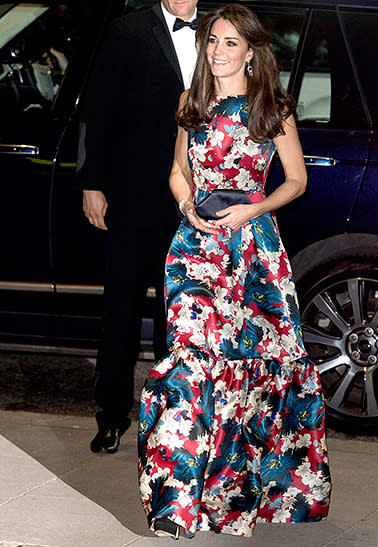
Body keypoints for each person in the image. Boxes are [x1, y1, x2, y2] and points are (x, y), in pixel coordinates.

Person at [138, 3, 331, 540]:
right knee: (188, 366)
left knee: (247, 370)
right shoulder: (190, 102)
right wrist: (187, 206)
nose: (217, 51)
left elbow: (296, 182)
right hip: (194, 247)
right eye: (212, 41)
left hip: (252, 251)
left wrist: (253, 208)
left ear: (250, 52)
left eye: (229, 43)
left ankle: (231, 499)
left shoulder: (272, 107)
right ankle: (175, 505)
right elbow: (178, 171)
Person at [76, 0, 199, 454]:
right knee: (121, 312)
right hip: (133, 197)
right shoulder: (128, 29)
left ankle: (173, 423)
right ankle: (111, 416)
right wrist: (92, 183)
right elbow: (98, 108)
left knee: (181, 316)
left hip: (196, 200)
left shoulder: (221, 30)